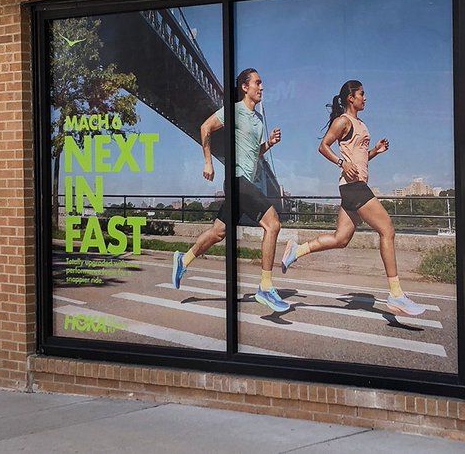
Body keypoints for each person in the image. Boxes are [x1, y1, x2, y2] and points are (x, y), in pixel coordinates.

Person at [279, 80, 427, 317]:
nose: (365, 98)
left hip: (353, 186)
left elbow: (359, 159)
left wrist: (374, 152)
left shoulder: (360, 125)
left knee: (341, 238)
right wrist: (341, 162)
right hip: (354, 187)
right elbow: (323, 146)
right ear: (351, 98)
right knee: (387, 230)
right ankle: (396, 294)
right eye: (362, 94)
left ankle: (297, 250)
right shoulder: (343, 122)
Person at [172, 69, 290, 313]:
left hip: (246, 182)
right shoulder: (233, 111)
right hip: (236, 181)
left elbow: (253, 154)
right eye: (258, 82)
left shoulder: (257, 121)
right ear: (245, 87)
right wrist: (208, 161)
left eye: (262, 83)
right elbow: (205, 127)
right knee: (273, 224)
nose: (262, 87)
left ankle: (183, 260)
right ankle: (266, 287)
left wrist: (268, 144)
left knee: (218, 233)